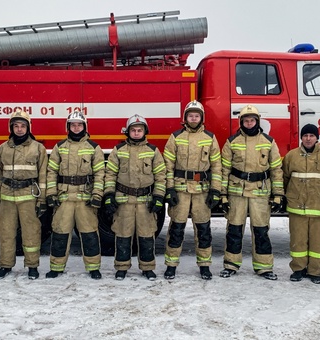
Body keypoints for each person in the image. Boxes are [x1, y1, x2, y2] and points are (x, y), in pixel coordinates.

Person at [219, 104, 284, 280]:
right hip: (237, 192)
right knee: (234, 229)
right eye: (246, 120)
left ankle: (264, 267)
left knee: (261, 230)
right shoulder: (232, 142)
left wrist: (278, 195)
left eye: (252, 120)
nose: (249, 123)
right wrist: (222, 195)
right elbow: (224, 170)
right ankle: (231, 264)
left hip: (260, 193)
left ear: (257, 121)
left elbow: (276, 169)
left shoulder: (268, 142)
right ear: (241, 122)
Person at [163, 100, 222, 280]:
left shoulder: (210, 138)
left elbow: (217, 166)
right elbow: (168, 165)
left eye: (197, 115)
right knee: (176, 229)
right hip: (180, 191)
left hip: (202, 192)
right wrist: (169, 189)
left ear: (201, 117)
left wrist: (215, 190)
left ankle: (204, 265)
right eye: (191, 115)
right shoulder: (176, 137)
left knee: (203, 230)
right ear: (185, 118)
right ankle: (171, 265)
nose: (194, 118)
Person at [104, 114, 166, 281]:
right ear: (128, 132)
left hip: (145, 202)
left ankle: (147, 268)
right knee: (122, 236)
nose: (137, 133)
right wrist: (109, 195)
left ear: (145, 131)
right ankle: (121, 267)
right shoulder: (119, 151)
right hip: (124, 201)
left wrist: (159, 196)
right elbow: (109, 174)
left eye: (140, 130)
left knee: (146, 237)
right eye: (133, 130)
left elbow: (161, 175)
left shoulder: (153, 151)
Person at [45, 110, 105, 280]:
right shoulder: (60, 147)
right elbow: (51, 172)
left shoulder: (94, 148)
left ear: (84, 126)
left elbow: (100, 173)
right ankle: (56, 267)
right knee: (59, 234)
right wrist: (51, 193)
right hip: (64, 198)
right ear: (68, 127)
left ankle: (93, 268)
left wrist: (97, 195)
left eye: (79, 124)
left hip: (85, 199)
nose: (76, 127)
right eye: (73, 124)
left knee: (90, 234)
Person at [0, 109, 47, 280]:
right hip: (7, 196)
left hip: (28, 195)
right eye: (16, 126)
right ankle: (5, 265)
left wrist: (43, 199)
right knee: (6, 233)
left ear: (28, 127)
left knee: (31, 232)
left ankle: (32, 266)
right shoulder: (2, 148)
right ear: (11, 128)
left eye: (23, 126)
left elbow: (44, 175)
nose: (19, 129)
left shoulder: (38, 148)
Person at [282, 124, 320, 283]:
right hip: (297, 205)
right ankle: (298, 269)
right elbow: (285, 178)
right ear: (301, 137)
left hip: (319, 207)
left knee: (318, 242)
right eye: (305, 135)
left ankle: (315, 272)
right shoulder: (291, 156)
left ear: (317, 138)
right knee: (297, 240)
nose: (308, 138)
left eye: (311, 135)